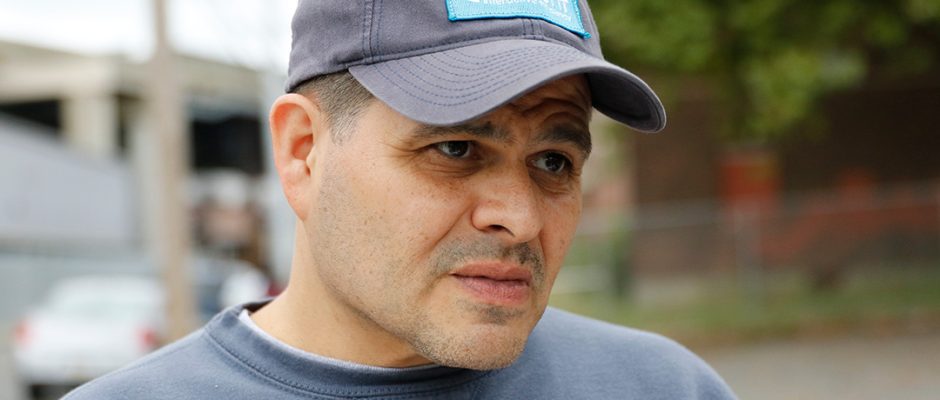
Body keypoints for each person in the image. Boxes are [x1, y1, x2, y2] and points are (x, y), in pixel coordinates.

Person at [66, 0, 736, 398]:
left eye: (553, 162)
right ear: (303, 151)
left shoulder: (665, 389)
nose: (520, 217)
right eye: (456, 149)